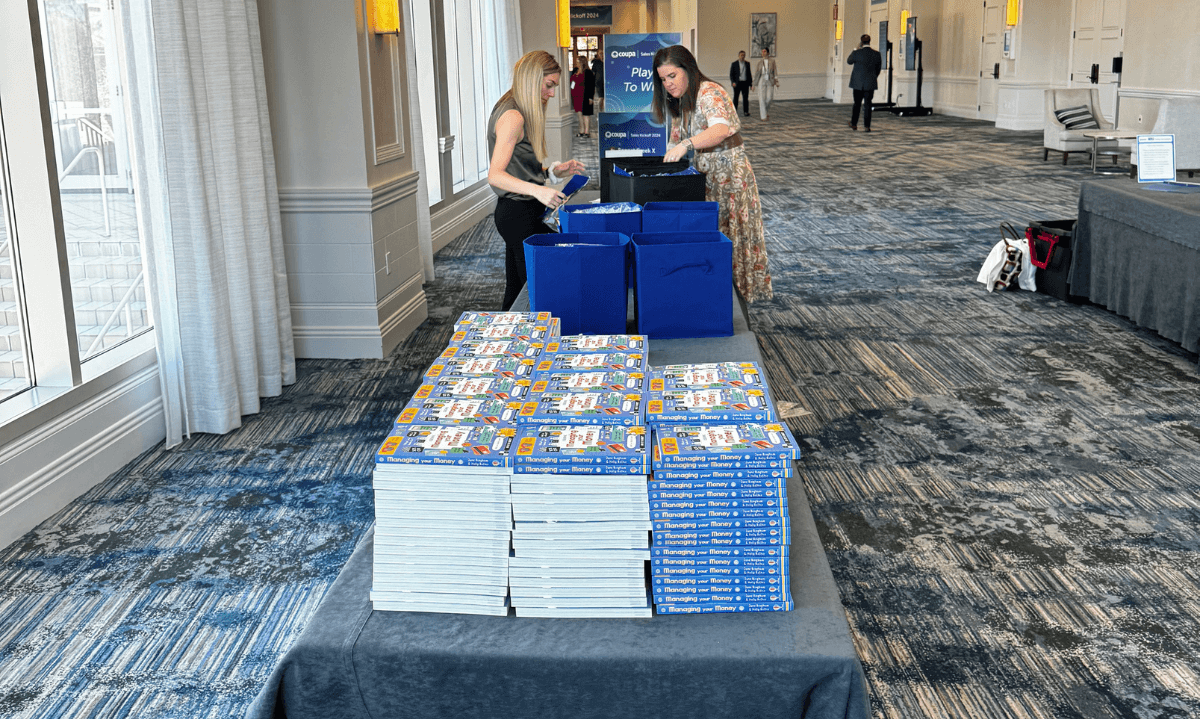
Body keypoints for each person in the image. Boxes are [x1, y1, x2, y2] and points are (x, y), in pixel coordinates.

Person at [652, 45, 773, 303]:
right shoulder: (682, 99)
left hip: (730, 175)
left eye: (672, 76)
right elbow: (675, 140)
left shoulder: (709, 92)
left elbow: (719, 129)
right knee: (715, 237)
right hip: (707, 175)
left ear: (688, 68)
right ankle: (715, 297)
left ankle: (737, 300)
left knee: (733, 237)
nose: (668, 84)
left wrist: (686, 145)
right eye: (663, 79)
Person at [487, 50, 586, 310]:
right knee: (534, 291)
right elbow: (495, 175)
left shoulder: (516, 108)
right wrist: (538, 191)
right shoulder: (513, 116)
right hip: (517, 214)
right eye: (549, 85)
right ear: (532, 79)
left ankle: (508, 341)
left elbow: (518, 167)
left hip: (522, 210)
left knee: (518, 289)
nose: (552, 93)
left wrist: (553, 172)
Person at [847, 34, 883, 132]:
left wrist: (855, 49)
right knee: (868, 105)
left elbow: (849, 61)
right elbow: (878, 69)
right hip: (870, 83)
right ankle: (867, 126)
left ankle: (854, 124)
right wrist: (872, 77)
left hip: (857, 84)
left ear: (861, 42)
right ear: (870, 41)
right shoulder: (876, 54)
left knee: (857, 104)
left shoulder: (857, 53)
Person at [754, 47, 778, 121]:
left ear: (768, 53)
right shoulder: (759, 62)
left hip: (770, 79)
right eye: (762, 52)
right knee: (761, 98)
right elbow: (756, 74)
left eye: (764, 52)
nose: (763, 53)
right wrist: (753, 84)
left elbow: (775, 71)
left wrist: (776, 81)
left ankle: (765, 111)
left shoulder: (772, 61)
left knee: (769, 98)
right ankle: (763, 116)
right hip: (762, 79)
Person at [729, 51, 753, 117]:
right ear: (738, 56)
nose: (742, 57)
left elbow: (749, 74)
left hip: (745, 83)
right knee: (736, 98)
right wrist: (733, 82)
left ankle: (746, 112)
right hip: (737, 83)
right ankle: (734, 112)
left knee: (745, 98)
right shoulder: (734, 64)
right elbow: (731, 74)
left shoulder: (747, 64)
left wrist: (751, 84)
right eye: (741, 55)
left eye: (743, 55)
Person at [570, 62, 585, 137]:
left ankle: (582, 130)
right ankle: (582, 129)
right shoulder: (575, 73)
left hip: (582, 96)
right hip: (575, 96)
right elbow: (572, 86)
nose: (577, 64)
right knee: (579, 114)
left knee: (581, 114)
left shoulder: (583, 74)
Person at [582, 60, 596, 137]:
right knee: (584, 114)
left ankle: (587, 132)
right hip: (583, 96)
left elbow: (591, 86)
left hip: (587, 96)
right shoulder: (580, 73)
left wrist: (591, 97)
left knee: (586, 114)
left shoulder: (588, 73)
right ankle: (585, 131)